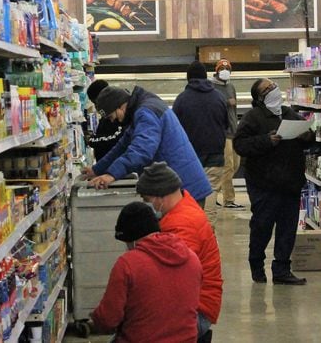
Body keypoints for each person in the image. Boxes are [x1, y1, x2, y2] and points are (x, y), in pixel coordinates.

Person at [233, 78, 313, 285]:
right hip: (264, 184)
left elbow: (309, 136)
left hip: (290, 183)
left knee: (287, 229)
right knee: (262, 227)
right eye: (268, 88)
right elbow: (240, 145)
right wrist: (266, 141)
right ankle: (257, 267)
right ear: (259, 97)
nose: (274, 89)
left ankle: (282, 271)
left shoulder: (288, 113)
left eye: (274, 85)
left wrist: (306, 135)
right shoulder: (253, 117)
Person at [89, 201, 202, 342]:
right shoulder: (192, 258)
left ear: (133, 239)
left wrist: (94, 321)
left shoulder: (128, 264)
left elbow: (108, 320)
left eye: (127, 242)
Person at [85, 85, 213, 206]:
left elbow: (142, 150)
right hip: (176, 186)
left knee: (182, 228)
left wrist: (112, 175)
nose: (113, 120)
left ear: (120, 106)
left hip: (183, 189)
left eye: (112, 116)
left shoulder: (146, 112)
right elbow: (122, 146)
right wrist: (97, 169)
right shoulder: (140, 111)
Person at [136, 162, 222, 341]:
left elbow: (174, 281)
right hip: (200, 303)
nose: (146, 204)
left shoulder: (181, 225)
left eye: (146, 199)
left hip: (196, 311)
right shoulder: (184, 203)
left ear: (159, 197)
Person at [173, 61, 227, 204]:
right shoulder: (219, 97)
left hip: (190, 156)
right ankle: (208, 226)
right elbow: (226, 124)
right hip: (216, 153)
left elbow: (174, 130)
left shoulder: (181, 99)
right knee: (211, 193)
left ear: (188, 78)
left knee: (191, 197)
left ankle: (194, 225)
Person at [210, 59, 243, 209]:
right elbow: (211, 106)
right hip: (222, 132)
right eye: (222, 68)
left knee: (235, 164)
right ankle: (228, 199)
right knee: (228, 166)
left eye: (227, 68)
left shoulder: (231, 86)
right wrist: (226, 102)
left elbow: (234, 110)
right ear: (216, 71)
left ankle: (214, 194)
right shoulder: (211, 87)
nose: (225, 71)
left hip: (233, 131)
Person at [85, 79, 124, 160]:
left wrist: (91, 140)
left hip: (113, 165)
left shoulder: (117, 115)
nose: (97, 107)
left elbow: (114, 139)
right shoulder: (107, 113)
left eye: (96, 102)